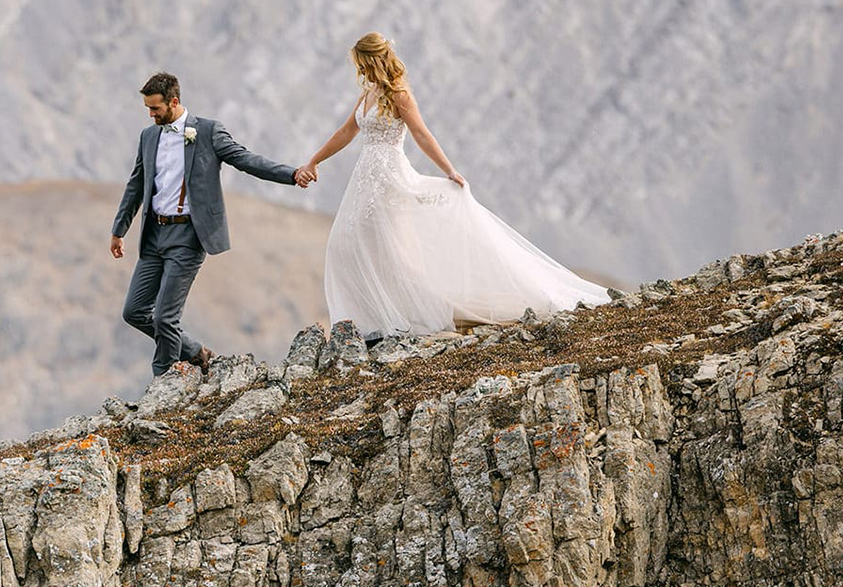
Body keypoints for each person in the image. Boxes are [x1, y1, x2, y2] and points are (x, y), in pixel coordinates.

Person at [296, 33, 609, 338]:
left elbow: (421, 134)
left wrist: (449, 170)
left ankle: (405, 315)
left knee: (391, 246)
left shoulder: (399, 95)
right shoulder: (367, 95)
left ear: (374, 60)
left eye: (362, 63)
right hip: (365, 178)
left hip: (390, 178)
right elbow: (346, 132)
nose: (359, 70)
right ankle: (376, 315)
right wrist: (314, 161)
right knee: (349, 243)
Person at [111, 72, 314, 376]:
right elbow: (136, 184)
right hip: (154, 235)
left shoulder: (207, 132)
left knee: (166, 318)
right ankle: (195, 352)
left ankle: (164, 382)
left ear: (174, 101)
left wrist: (291, 174)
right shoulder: (148, 136)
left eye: (155, 109)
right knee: (134, 311)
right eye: (148, 109)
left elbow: (246, 160)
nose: (150, 115)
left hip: (188, 236)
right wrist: (119, 230)